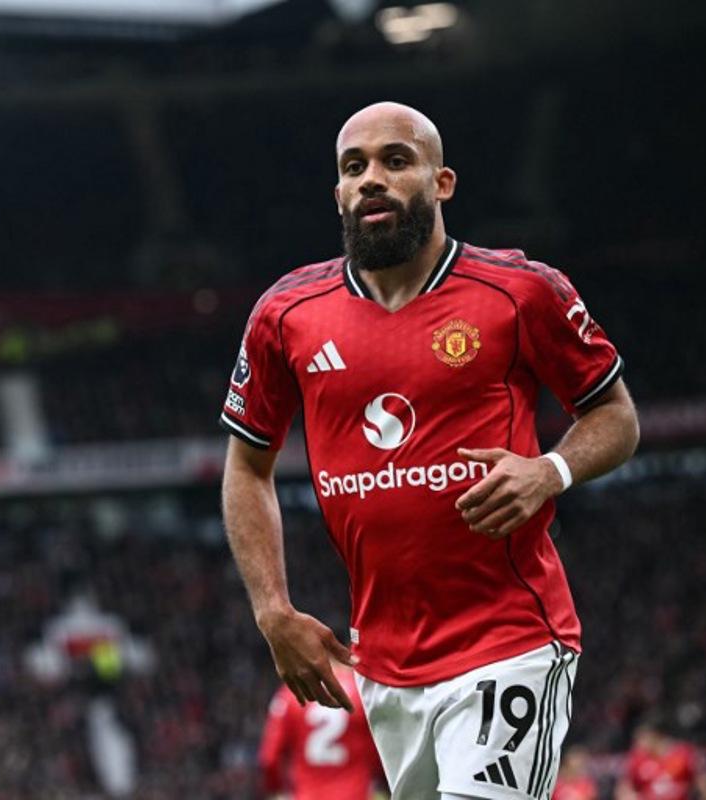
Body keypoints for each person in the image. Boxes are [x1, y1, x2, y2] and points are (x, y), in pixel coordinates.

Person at [219, 101, 640, 800]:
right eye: (355, 168)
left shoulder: (519, 292)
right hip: (383, 663)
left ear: (442, 182)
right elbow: (246, 466)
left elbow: (615, 416)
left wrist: (549, 471)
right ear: (338, 196)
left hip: (510, 641)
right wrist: (272, 610)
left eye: (395, 160)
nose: (372, 179)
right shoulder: (285, 314)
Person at [259, 664, 387, 800]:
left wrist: (276, 790)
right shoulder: (362, 693)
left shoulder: (290, 694)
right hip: (356, 794)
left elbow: (269, 759)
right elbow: (382, 751)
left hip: (306, 795)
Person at [616, 717, 706, 800]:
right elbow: (625, 789)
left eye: (642, 738)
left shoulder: (684, 754)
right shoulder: (638, 760)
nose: (639, 744)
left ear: (656, 736)